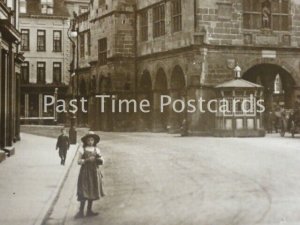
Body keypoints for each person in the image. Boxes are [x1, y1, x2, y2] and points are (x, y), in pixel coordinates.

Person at [75, 131, 104, 218]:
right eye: (88, 140)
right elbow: (78, 161)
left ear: (94, 141)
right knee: (84, 190)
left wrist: (99, 159)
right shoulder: (82, 150)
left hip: (94, 172)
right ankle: (80, 211)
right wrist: (87, 160)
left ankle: (89, 210)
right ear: (86, 141)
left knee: (92, 189)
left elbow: (102, 160)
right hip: (85, 172)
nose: (90, 142)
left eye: (92, 140)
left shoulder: (97, 150)